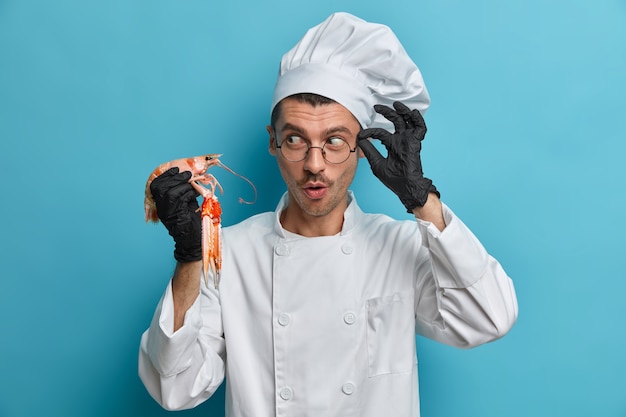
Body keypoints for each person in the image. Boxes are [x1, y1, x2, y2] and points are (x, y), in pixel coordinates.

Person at [138, 12, 518, 417]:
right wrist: (190, 257)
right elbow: (175, 388)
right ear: (273, 142)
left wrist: (422, 199)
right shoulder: (227, 255)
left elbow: (489, 318)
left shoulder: (400, 246)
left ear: (363, 144)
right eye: (296, 140)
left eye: (335, 141)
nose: (314, 164)